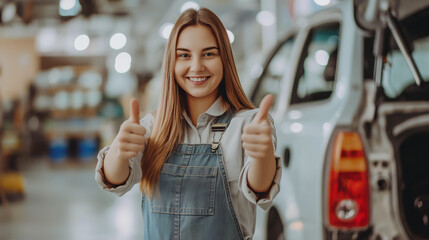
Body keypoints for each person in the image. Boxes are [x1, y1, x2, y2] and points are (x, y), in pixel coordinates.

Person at [95, 7, 281, 240]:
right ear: (171, 63)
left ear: (225, 59)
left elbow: (260, 188)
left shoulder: (249, 125)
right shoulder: (153, 126)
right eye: (184, 55)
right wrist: (119, 151)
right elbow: (114, 180)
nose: (196, 66)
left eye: (208, 54)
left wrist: (263, 155)